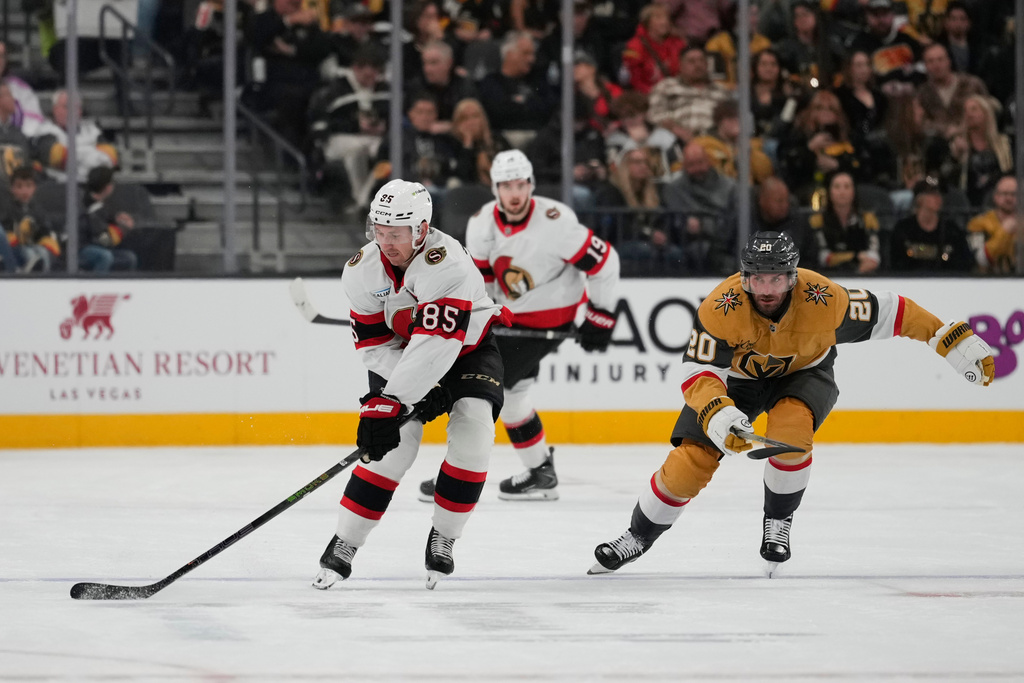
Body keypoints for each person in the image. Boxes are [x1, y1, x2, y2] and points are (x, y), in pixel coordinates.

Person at [588, 230, 995, 577]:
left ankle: (778, 521)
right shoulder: (719, 307)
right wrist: (718, 412)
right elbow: (696, 370)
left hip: (804, 374)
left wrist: (946, 336)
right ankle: (638, 536)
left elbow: (893, 310)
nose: (767, 290)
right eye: (757, 279)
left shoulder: (824, 299)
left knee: (792, 434)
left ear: (793, 277)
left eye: (776, 279)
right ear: (744, 279)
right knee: (690, 461)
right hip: (737, 382)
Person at [313, 179, 510, 591]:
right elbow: (373, 344)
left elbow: (439, 345)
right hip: (403, 359)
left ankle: (445, 536)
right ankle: (345, 541)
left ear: (421, 229)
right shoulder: (361, 271)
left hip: (468, 351)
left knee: (474, 432)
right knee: (391, 448)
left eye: (396, 234)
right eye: (379, 231)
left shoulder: (448, 264)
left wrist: (399, 397)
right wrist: (390, 404)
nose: (385, 242)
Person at [419, 150, 620, 502]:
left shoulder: (557, 223)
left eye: (520, 184)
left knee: (474, 393)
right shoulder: (481, 223)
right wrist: (472, 314)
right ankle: (541, 472)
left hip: (548, 319)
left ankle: (457, 479)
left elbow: (605, 261)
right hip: (509, 320)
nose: (514, 193)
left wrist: (600, 315)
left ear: (531, 185)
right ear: (495, 188)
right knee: (512, 398)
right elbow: (479, 281)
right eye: (506, 186)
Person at [805, 171, 882, 274]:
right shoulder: (818, 221)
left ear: (853, 192)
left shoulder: (867, 220)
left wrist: (860, 268)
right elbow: (823, 257)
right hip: (828, 276)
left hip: (863, 275)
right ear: (830, 192)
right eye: (837, 187)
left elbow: (874, 256)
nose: (842, 191)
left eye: (847, 187)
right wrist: (856, 256)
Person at [889, 181, 973, 273]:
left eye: (940, 194)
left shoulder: (952, 230)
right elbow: (895, 263)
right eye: (933, 194)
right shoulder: (903, 229)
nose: (938, 198)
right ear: (919, 199)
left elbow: (964, 263)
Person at [78, 166, 138, 273]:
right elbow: (104, 239)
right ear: (108, 187)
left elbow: (107, 215)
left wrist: (117, 218)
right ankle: (97, 286)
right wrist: (122, 230)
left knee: (129, 257)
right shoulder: (87, 207)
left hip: (95, 244)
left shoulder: (99, 203)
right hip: (82, 247)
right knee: (105, 256)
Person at [1, 165, 61, 272]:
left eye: (28, 186)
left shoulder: (38, 210)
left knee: (42, 252)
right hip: (16, 250)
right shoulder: (7, 208)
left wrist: (46, 240)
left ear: (34, 188)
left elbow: (45, 230)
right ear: (12, 189)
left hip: (33, 246)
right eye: (19, 187)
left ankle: (44, 279)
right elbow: (5, 230)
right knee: (29, 253)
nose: (24, 191)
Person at [966, 175, 1017, 275]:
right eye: (1004, 193)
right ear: (995, 196)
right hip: (987, 283)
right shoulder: (978, 223)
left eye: (1014, 194)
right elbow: (980, 259)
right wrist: (1005, 231)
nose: (1009, 198)